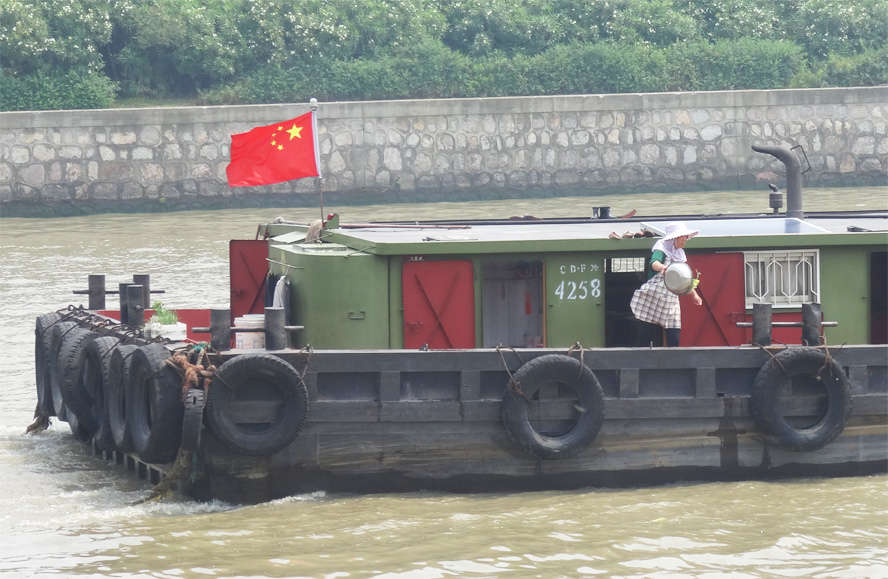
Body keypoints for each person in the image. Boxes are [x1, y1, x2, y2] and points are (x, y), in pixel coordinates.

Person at [630, 221, 702, 347]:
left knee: (674, 333)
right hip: (655, 296)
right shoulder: (662, 248)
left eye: (686, 237)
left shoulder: (679, 254)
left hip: (671, 299)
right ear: (674, 237)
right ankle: (639, 359)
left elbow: (684, 279)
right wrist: (664, 267)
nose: (685, 240)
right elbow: (654, 263)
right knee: (646, 333)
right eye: (682, 237)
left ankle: (674, 361)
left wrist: (694, 295)